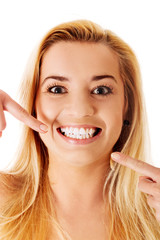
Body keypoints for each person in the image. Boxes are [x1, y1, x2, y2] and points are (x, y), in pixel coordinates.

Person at [0, 19, 160, 240]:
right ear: (33, 104)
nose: (80, 109)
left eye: (101, 89)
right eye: (57, 89)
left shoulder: (155, 215)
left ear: (126, 106)